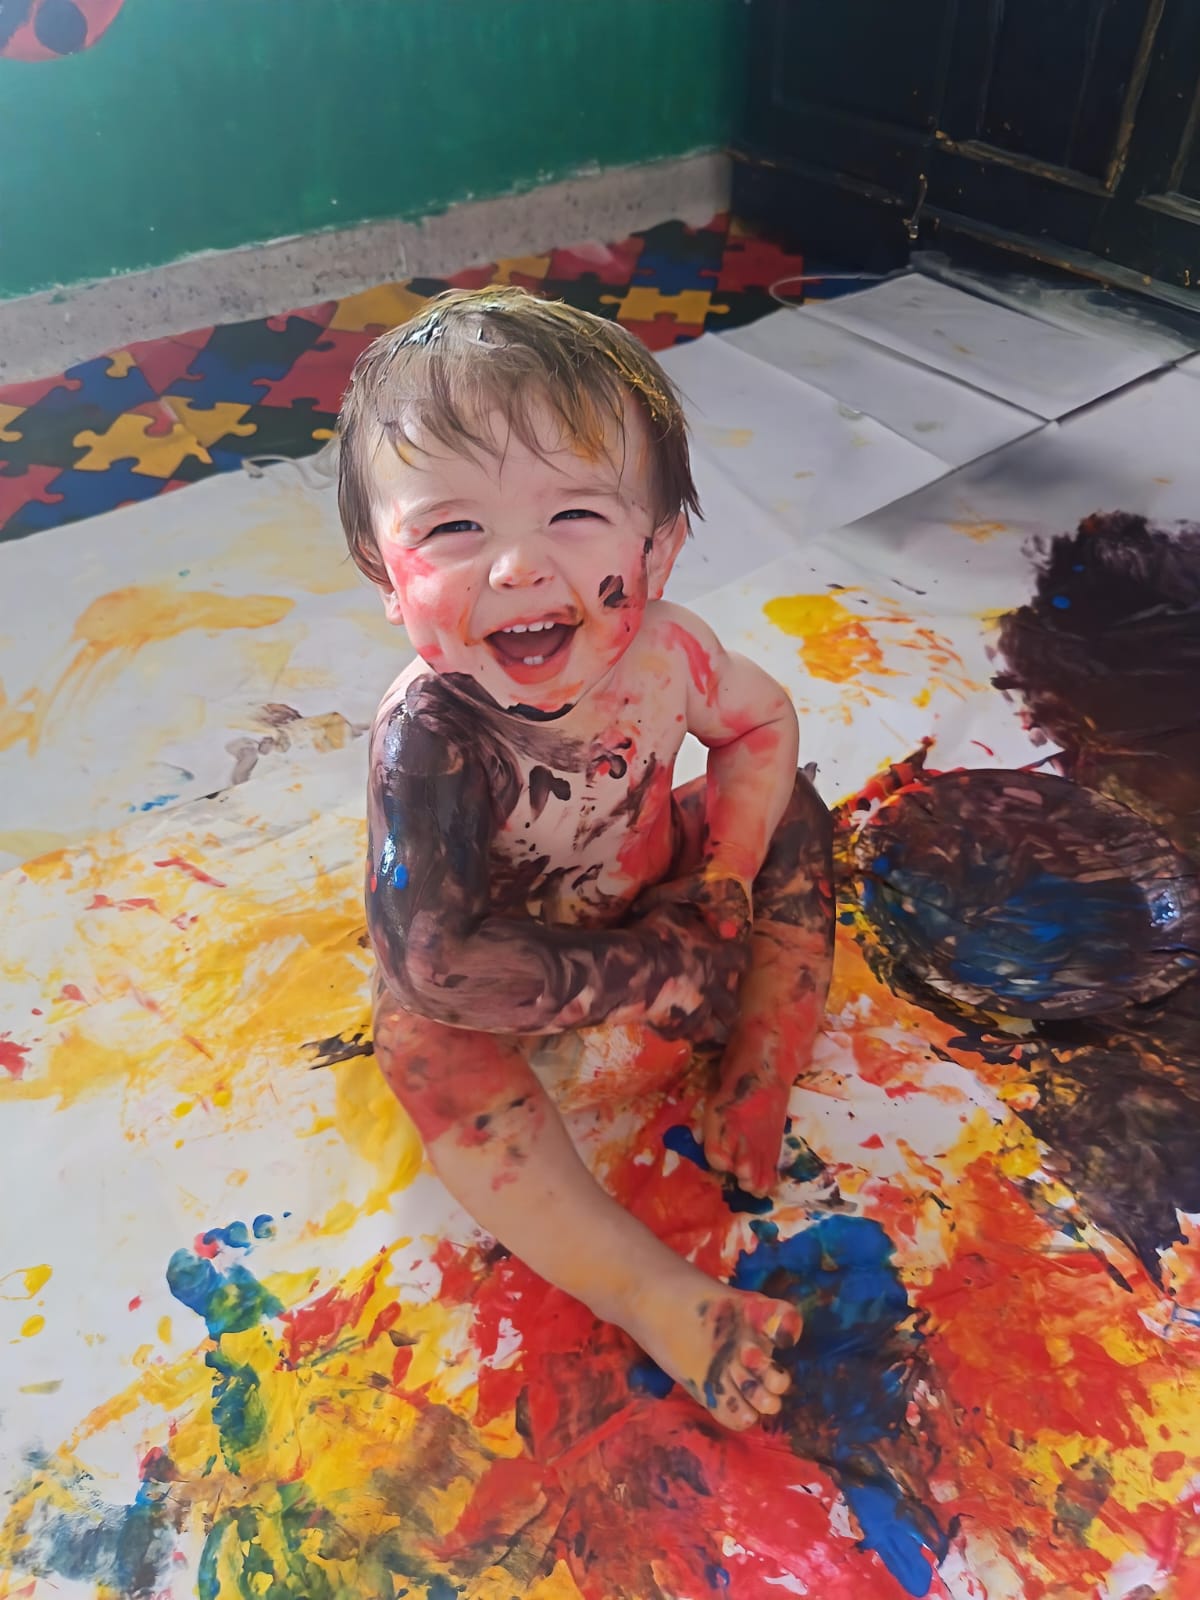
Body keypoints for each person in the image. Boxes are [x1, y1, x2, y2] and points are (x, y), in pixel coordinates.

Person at [337, 287, 834, 1430]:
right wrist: (650, 970)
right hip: (517, 972)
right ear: (385, 573)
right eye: (454, 529)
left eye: (573, 516)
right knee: (424, 1048)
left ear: (657, 547)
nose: (517, 567)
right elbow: (435, 963)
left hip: (660, 898)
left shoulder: (673, 653)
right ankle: (651, 1292)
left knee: (794, 808)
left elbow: (763, 728)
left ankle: (766, 1050)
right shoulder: (431, 734)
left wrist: (726, 875)